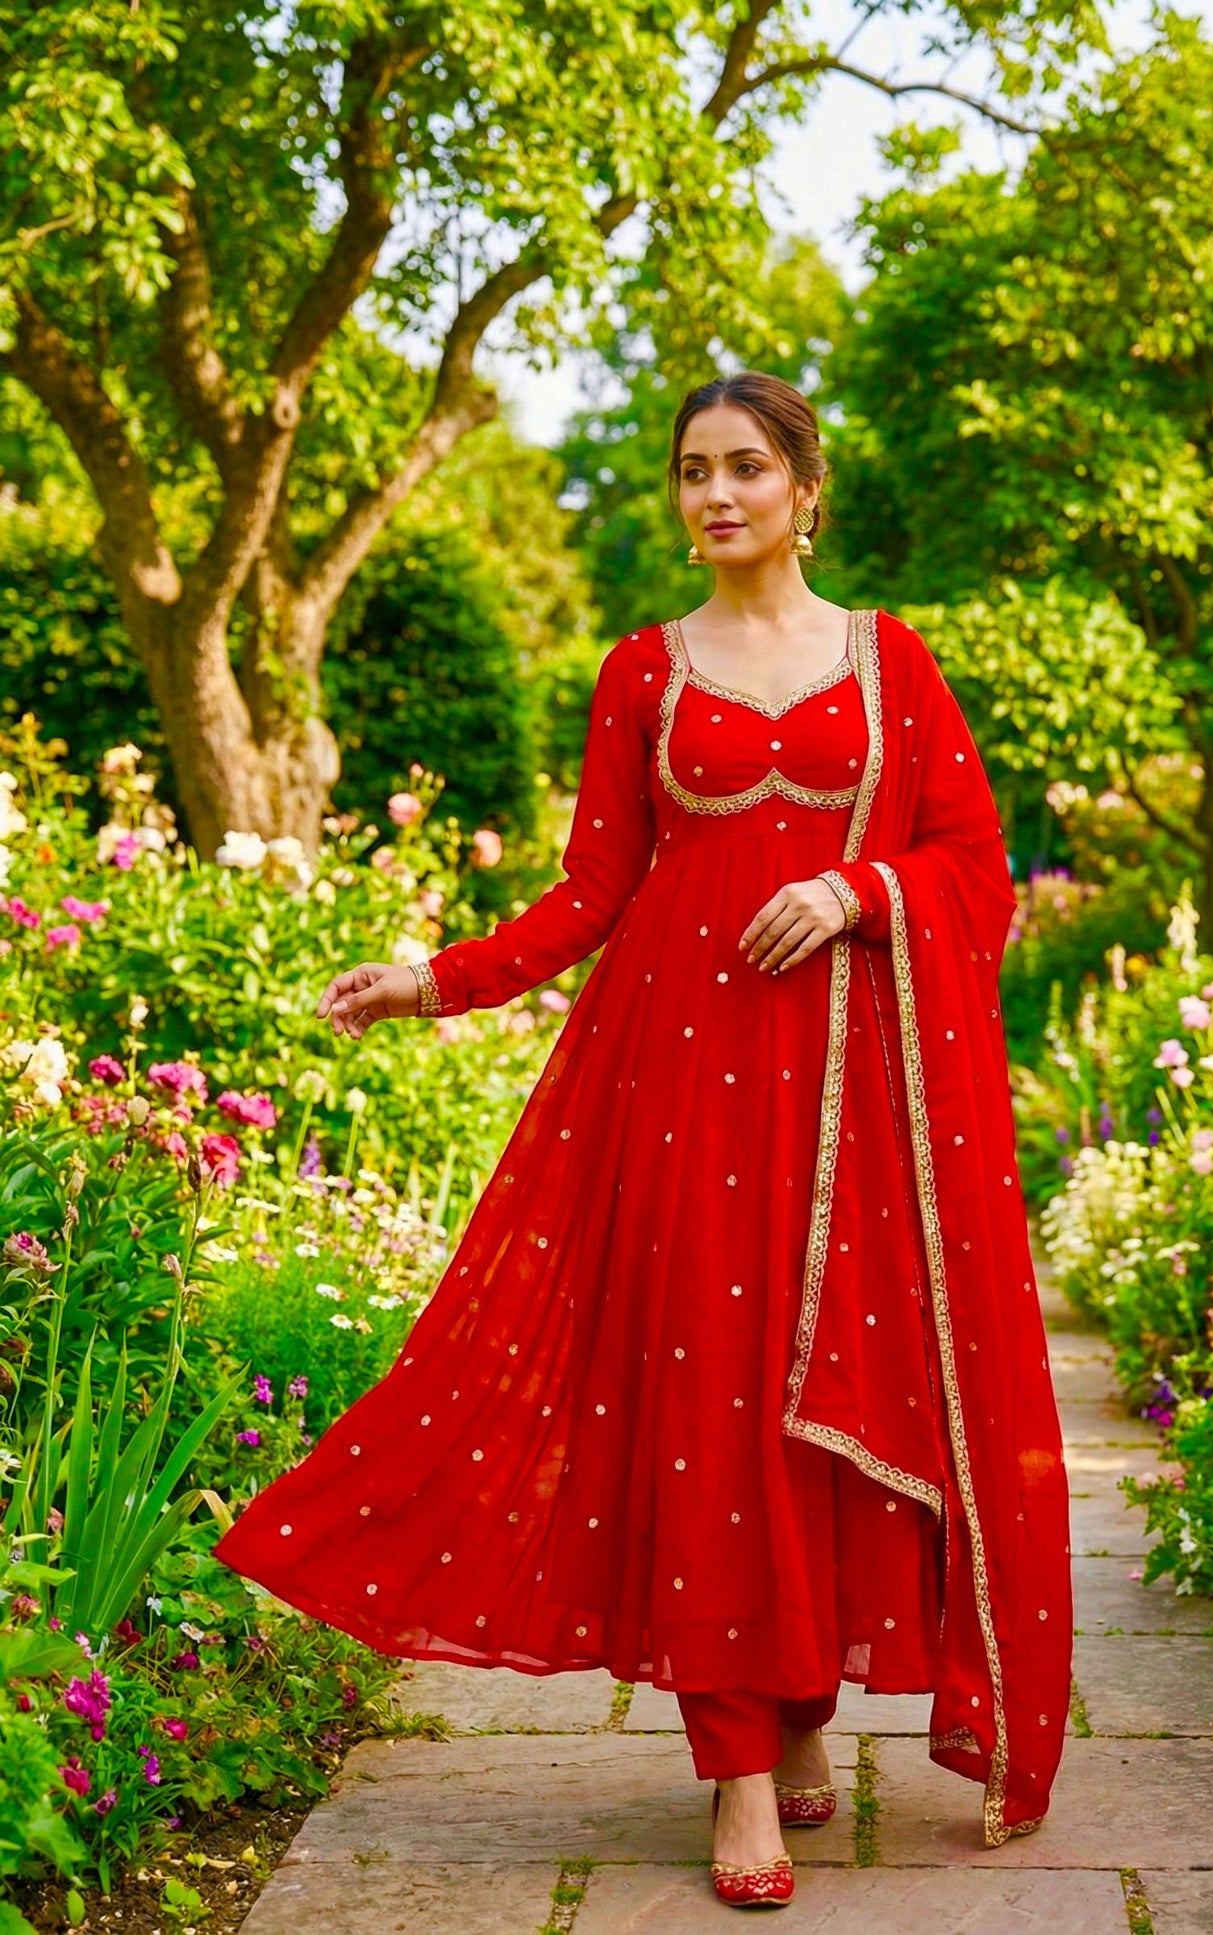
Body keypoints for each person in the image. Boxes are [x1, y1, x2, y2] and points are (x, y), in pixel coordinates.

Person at [214, 370, 1072, 1911]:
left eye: (746, 467)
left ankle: (797, 1712)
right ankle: (737, 1770)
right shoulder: (641, 674)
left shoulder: (890, 664)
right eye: (691, 472)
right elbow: (593, 893)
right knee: (708, 1413)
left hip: (848, 1115)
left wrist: (854, 893)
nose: (716, 495)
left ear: (806, 488)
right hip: (674, 1098)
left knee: (820, 1413)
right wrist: (436, 981)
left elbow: (972, 866)